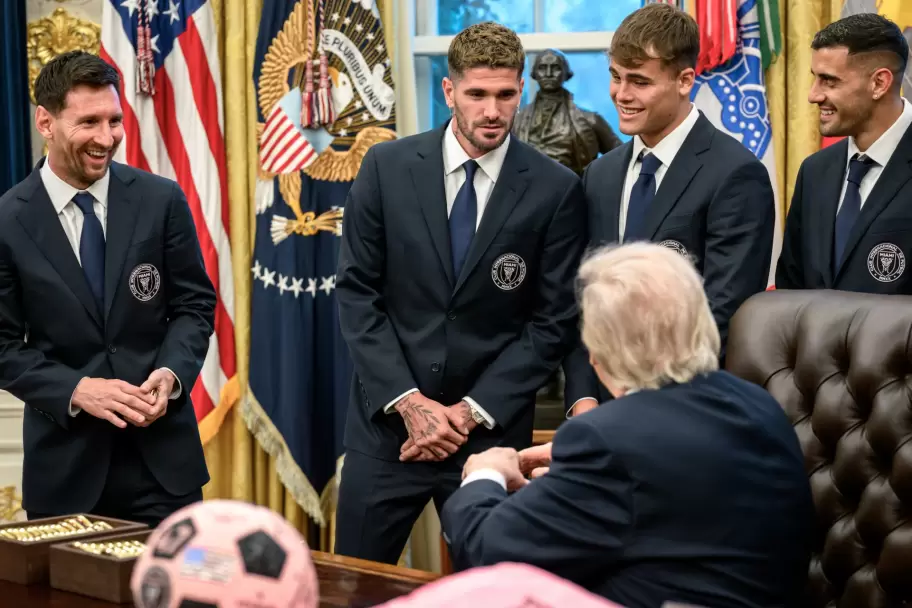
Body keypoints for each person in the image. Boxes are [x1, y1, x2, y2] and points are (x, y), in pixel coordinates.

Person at [334, 22, 587, 564]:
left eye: (504, 94)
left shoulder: (557, 189)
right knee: (352, 588)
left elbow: (552, 322)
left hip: (490, 443)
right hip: (387, 431)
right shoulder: (386, 167)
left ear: (520, 89)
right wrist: (409, 401)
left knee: (494, 594)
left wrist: (469, 413)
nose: (492, 110)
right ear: (449, 91)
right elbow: (357, 293)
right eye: (476, 94)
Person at [441, 243, 814, 608]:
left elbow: (488, 553)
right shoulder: (760, 405)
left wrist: (484, 474)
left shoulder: (608, 441)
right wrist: (578, 477)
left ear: (600, 351)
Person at [0, 51, 215, 527]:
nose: (106, 138)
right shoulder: (6, 222)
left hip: (164, 469)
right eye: (89, 122)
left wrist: (172, 374)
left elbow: (194, 305)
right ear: (45, 121)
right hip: (65, 473)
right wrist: (78, 389)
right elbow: (2, 347)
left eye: (115, 120)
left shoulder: (161, 200)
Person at [562, 3, 775, 417]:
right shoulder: (599, 176)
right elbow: (582, 300)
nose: (621, 94)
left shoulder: (736, 174)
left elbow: (722, 314)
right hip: (600, 412)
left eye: (639, 82)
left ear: (684, 80)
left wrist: (643, 407)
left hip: (688, 411)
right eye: (616, 77)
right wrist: (583, 399)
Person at [777, 13, 912, 293]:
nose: (813, 95)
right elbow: (790, 293)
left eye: (829, 81)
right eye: (815, 79)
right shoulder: (814, 171)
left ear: (879, 83)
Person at [513, 49, 622, 175]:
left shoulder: (590, 120)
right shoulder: (517, 120)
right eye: (543, 67)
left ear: (566, 73)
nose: (549, 73)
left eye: (555, 68)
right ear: (535, 73)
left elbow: (621, 157)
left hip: (573, 190)